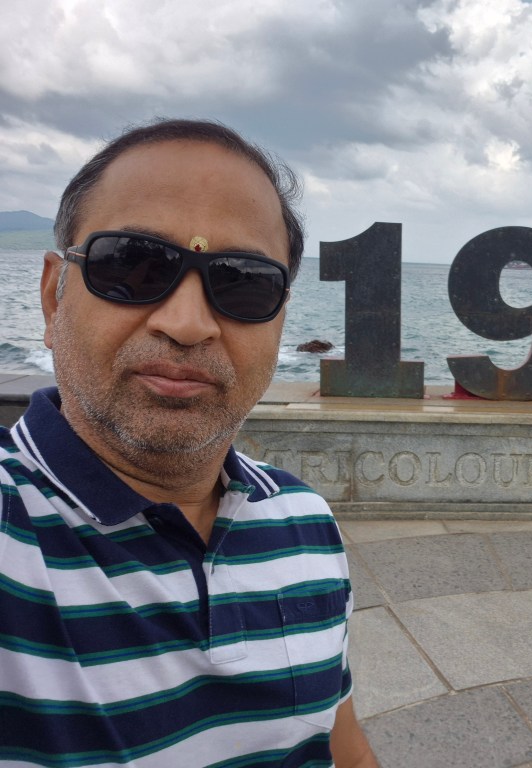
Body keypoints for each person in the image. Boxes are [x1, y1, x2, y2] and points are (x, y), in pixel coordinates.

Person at [0, 119, 378, 767]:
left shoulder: (305, 522)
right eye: (132, 265)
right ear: (52, 296)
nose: (188, 323)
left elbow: (340, 750)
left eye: (243, 282)